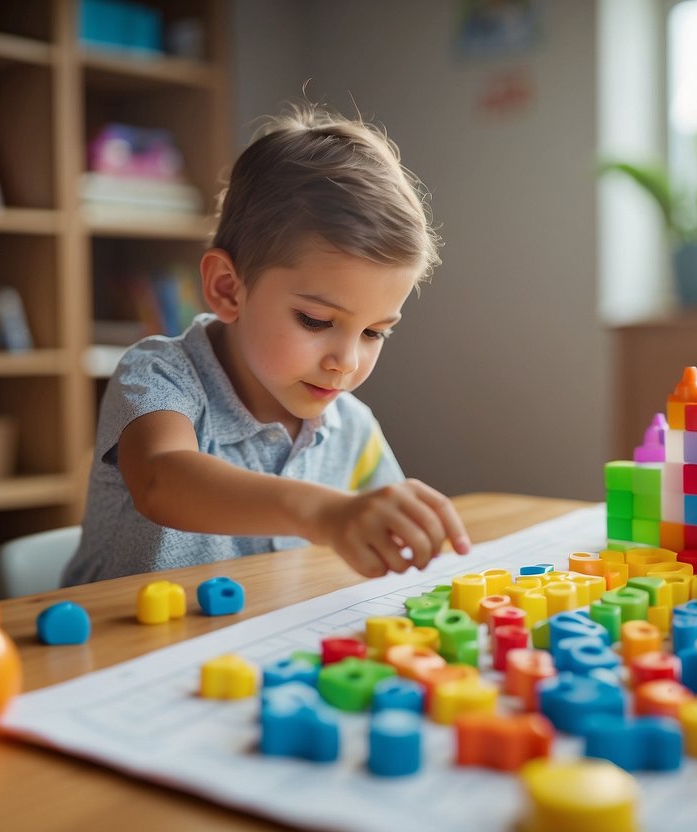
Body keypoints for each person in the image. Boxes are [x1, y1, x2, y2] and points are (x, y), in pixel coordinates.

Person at [62, 104, 471, 586]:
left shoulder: (351, 427)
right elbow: (161, 480)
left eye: (373, 332)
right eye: (316, 321)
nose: (346, 362)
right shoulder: (159, 375)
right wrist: (322, 512)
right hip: (117, 652)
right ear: (227, 289)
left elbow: (379, 527)